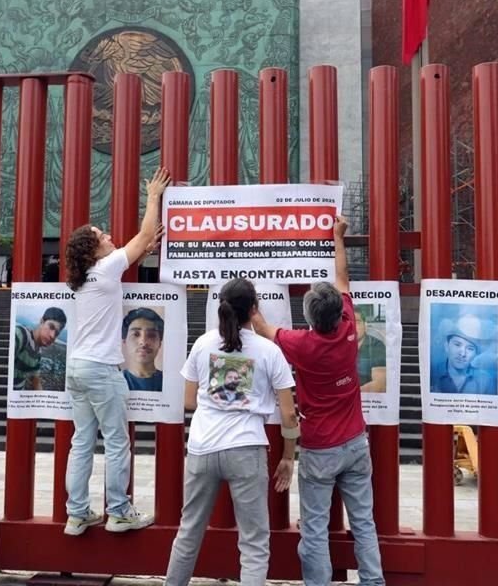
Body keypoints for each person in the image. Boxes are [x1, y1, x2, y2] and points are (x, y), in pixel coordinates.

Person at [251, 215, 385, 586]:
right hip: (356, 442)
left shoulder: (302, 345)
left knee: (314, 528)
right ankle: (374, 582)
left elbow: (261, 327)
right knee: (364, 522)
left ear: (309, 317)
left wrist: (247, 286)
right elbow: (342, 278)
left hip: (319, 448)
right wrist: (337, 237)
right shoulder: (346, 329)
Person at [165, 278, 299, 586]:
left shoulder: (202, 344)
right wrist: (289, 457)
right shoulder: (269, 351)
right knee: (253, 543)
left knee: (188, 533)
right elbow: (289, 414)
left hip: (202, 447)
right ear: (254, 309)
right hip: (246, 449)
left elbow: (188, 400)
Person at [62, 165, 170, 536]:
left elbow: (139, 244)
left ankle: (77, 515)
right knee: (117, 442)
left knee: (81, 442)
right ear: (93, 250)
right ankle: (120, 512)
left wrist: (138, 249)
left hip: (76, 368)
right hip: (101, 369)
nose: (108, 235)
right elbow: (142, 237)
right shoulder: (106, 269)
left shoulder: (83, 279)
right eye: (100, 235)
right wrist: (153, 195)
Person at [429, 313, 498, 395]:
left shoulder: (486, 380)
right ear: (446, 346)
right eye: (457, 344)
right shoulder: (432, 373)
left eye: (470, 348)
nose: (462, 353)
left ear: (475, 354)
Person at [12, 307, 67, 391]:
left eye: (56, 333)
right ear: (42, 321)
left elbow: (36, 381)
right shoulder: (21, 335)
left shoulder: (38, 353)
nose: (52, 336)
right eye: (51, 327)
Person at [121, 307, 164, 391]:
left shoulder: (170, 382)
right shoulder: (114, 381)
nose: (143, 342)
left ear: (160, 343)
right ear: (124, 341)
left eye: (151, 335)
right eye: (136, 334)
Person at [355, 311, 387, 392]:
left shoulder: (377, 345)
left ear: (365, 326)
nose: (352, 326)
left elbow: (379, 385)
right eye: (347, 323)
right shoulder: (338, 346)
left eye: (357, 322)